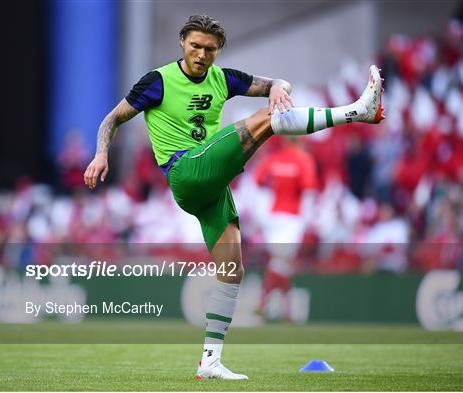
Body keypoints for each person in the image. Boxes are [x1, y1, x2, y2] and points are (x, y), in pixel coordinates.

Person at [84, 14, 384, 380]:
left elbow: (277, 83)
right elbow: (111, 119)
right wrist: (101, 153)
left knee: (232, 271)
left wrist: (277, 86)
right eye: (195, 46)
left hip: (210, 188)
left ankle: (210, 361)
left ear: (218, 50)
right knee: (267, 119)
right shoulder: (158, 81)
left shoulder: (223, 79)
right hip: (186, 172)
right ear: (182, 42)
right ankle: (357, 111)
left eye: (210, 49)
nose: (201, 54)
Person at [253, 137, 317, 321]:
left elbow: (257, 182)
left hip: (272, 216)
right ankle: (280, 307)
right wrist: (306, 221)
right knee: (282, 262)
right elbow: (309, 191)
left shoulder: (274, 158)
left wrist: (262, 213)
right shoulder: (304, 160)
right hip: (292, 218)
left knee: (278, 263)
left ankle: (268, 305)